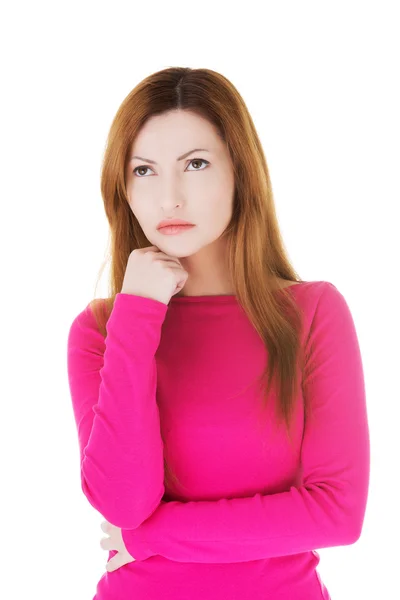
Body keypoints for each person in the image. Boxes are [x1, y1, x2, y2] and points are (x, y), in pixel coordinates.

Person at [66, 67, 370, 600]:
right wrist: (137, 315)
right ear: (123, 189)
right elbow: (123, 503)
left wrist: (153, 536)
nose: (170, 198)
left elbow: (336, 513)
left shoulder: (312, 313)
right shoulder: (100, 331)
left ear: (240, 172)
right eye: (144, 171)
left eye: (196, 164)